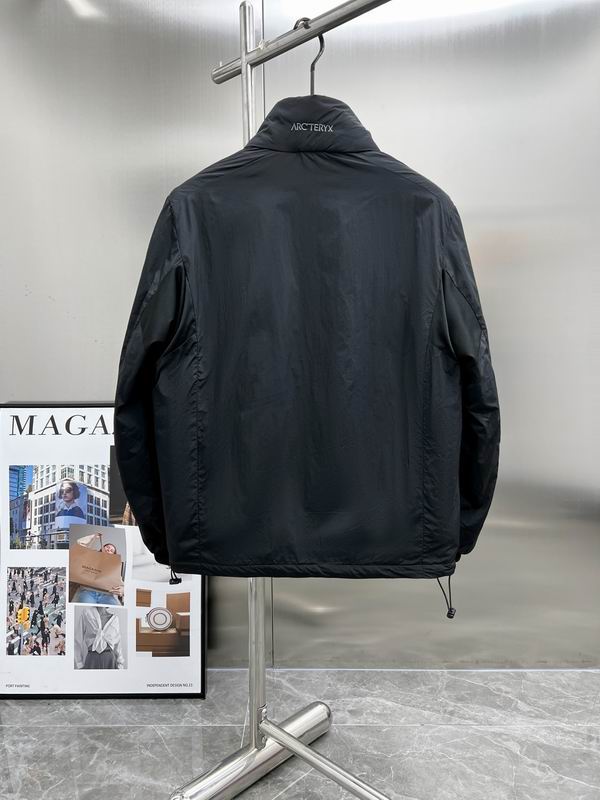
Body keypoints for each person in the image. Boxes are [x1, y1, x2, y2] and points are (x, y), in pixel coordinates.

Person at [73, 533, 125, 606]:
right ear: (102, 548)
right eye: (107, 547)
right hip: (88, 591)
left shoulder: (114, 566)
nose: (109, 549)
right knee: (87, 607)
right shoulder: (91, 555)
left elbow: (120, 582)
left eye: (111, 550)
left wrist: (123, 589)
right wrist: (92, 537)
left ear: (113, 555)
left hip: (107, 595)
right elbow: (79, 544)